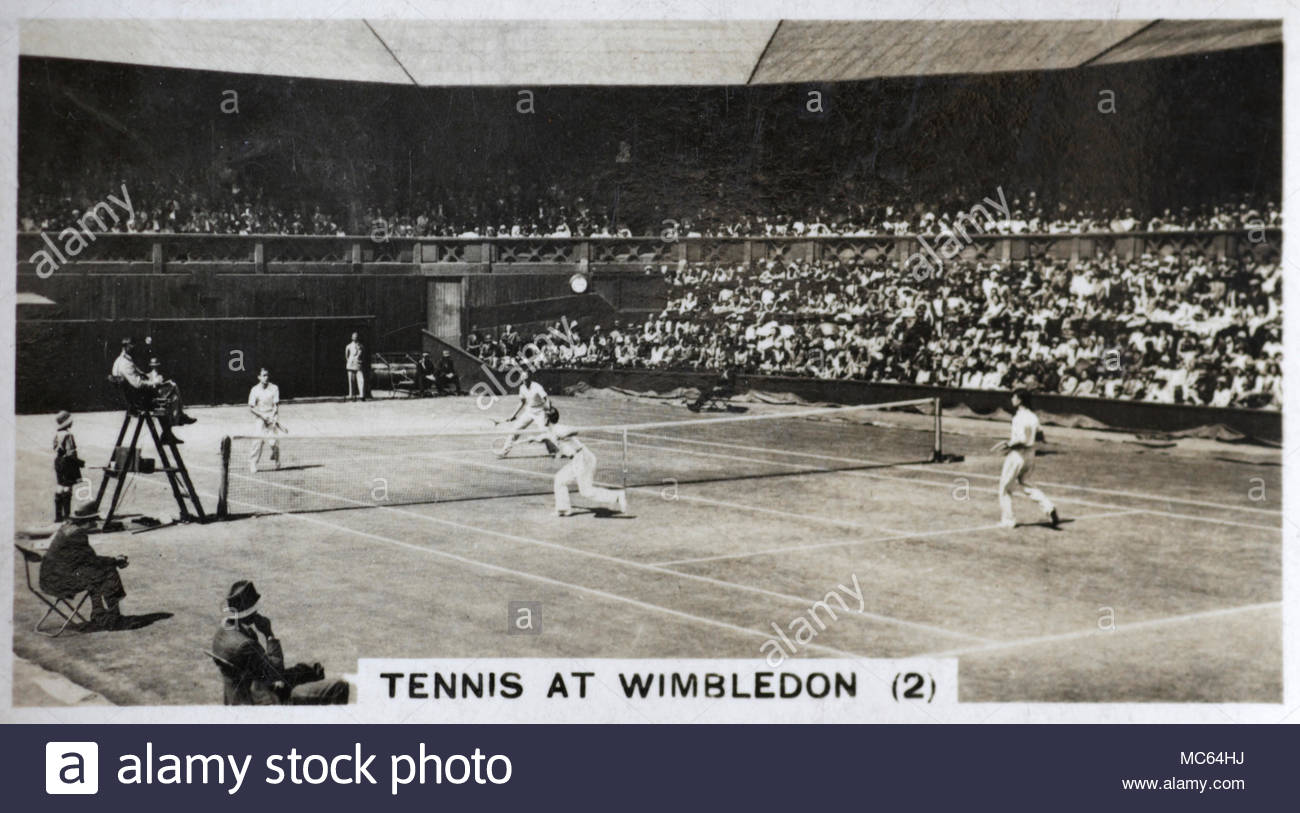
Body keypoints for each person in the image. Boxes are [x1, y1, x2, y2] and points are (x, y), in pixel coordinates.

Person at [210, 580, 349, 705]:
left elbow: (260, 667)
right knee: (339, 687)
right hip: (263, 702)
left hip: (243, 694)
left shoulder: (223, 632)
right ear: (251, 613)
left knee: (310, 669)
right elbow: (276, 672)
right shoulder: (245, 644)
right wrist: (269, 634)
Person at [526, 406, 628, 517]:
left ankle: (617, 496)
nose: (540, 419)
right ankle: (563, 509)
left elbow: (575, 430)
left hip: (583, 458)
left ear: (547, 419)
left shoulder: (559, 430)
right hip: (577, 460)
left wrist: (563, 435)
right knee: (560, 480)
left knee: (586, 491)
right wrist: (534, 439)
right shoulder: (551, 431)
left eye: (543, 417)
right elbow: (546, 437)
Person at [40, 506, 129, 630]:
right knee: (108, 572)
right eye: (94, 520)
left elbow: (85, 560)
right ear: (87, 521)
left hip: (49, 578)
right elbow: (92, 560)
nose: (96, 523)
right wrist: (115, 561)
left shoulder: (66, 528)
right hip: (60, 583)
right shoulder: (78, 534)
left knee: (96, 574)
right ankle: (112, 618)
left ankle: (101, 615)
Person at [991, 388, 1060, 529]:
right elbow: (1040, 435)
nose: (1012, 399)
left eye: (1014, 397)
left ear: (1020, 400)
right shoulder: (1033, 417)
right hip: (1030, 454)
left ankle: (1008, 520)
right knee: (1026, 483)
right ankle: (1049, 507)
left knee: (1005, 487)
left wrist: (1008, 444)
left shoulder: (1018, 417)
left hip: (1017, 454)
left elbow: (1021, 438)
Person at [111, 337, 196, 443]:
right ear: (126, 347)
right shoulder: (125, 364)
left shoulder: (122, 360)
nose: (134, 348)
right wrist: (154, 383)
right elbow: (137, 384)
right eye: (132, 345)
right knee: (172, 390)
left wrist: (150, 376)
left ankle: (171, 429)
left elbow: (139, 375)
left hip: (136, 397)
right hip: (139, 401)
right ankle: (177, 420)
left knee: (170, 388)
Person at [496, 369, 551, 458]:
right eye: (523, 379)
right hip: (529, 411)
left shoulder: (537, 386)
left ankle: (554, 450)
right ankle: (504, 452)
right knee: (515, 429)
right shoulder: (522, 388)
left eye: (526, 378)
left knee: (544, 431)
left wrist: (548, 411)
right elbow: (522, 402)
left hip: (540, 411)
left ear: (530, 378)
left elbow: (546, 399)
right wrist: (513, 415)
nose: (524, 381)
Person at [52, 410, 85, 521]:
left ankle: (58, 516)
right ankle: (67, 516)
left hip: (58, 461)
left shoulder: (57, 434)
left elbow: (55, 448)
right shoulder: (68, 435)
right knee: (68, 488)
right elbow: (71, 452)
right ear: (67, 423)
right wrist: (79, 462)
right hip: (67, 463)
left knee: (60, 486)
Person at [248, 368, 282, 473]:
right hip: (260, 417)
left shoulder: (274, 388)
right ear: (259, 377)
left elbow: (276, 405)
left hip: (271, 416)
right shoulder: (254, 389)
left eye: (267, 375)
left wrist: (273, 416)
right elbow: (251, 408)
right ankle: (253, 463)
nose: (266, 377)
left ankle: (277, 461)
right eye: (263, 375)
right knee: (257, 442)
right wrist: (263, 416)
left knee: (273, 442)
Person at [344, 332, 365, 401]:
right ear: (352, 337)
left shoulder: (361, 346)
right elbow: (346, 356)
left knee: (361, 380)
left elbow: (363, 355)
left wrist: (359, 360)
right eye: (354, 336)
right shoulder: (348, 346)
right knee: (351, 380)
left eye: (356, 336)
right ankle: (352, 395)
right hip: (351, 364)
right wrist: (349, 361)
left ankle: (362, 395)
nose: (355, 337)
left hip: (358, 364)